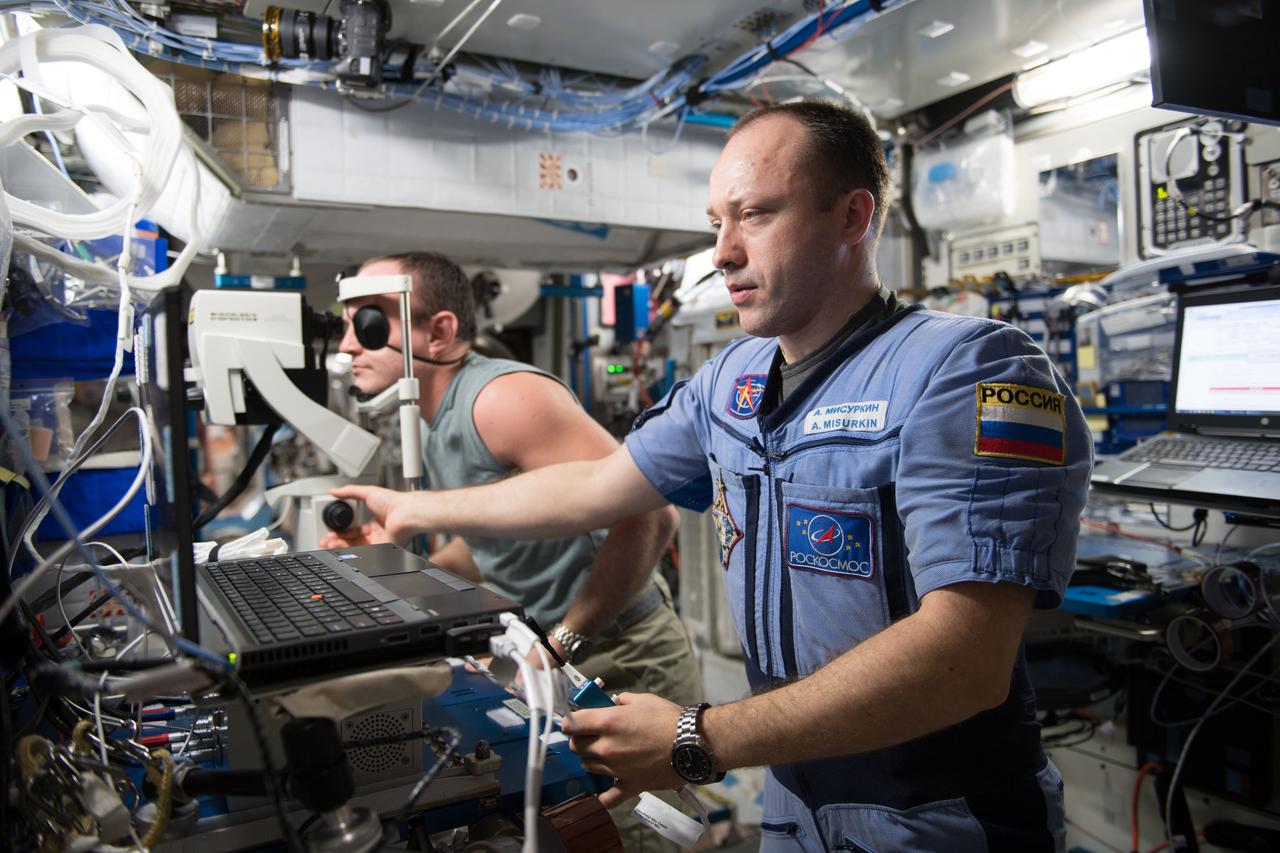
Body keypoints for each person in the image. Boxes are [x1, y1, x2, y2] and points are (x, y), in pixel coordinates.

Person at [332, 103, 1092, 852]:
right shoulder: (732, 379)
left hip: (936, 814)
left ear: (852, 217)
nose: (722, 252)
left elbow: (966, 661)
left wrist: (700, 736)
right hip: (797, 799)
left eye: (754, 214)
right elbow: (594, 488)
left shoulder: (966, 370)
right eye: (716, 222)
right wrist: (414, 509)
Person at [320, 251, 703, 851]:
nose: (348, 346)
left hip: (622, 653)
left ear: (439, 332)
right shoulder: (431, 418)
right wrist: (398, 562)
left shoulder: (500, 398)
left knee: (632, 836)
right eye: (345, 326)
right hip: (552, 658)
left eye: (368, 324)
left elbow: (653, 515)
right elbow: (496, 542)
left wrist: (560, 642)